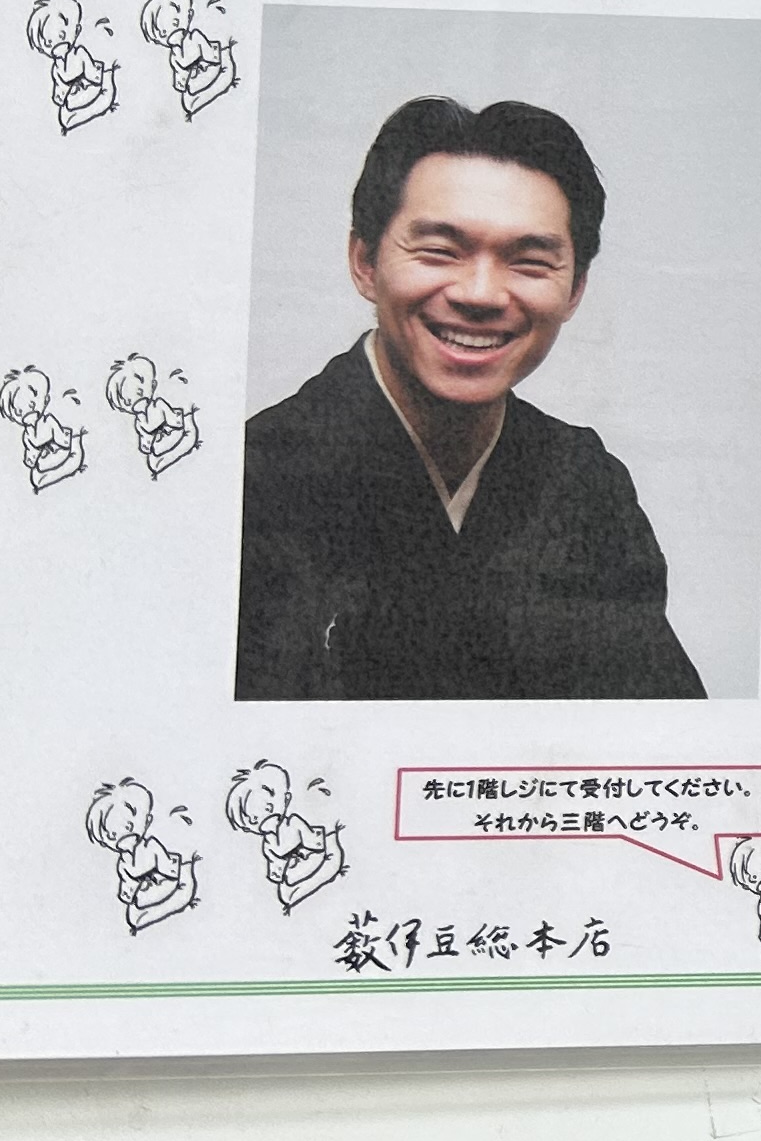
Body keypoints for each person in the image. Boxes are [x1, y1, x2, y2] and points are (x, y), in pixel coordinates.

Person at [235, 95, 702, 699]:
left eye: (529, 261)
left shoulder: (585, 484)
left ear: (575, 289)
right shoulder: (254, 477)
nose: (480, 294)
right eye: (440, 251)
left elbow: (662, 728)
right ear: (365, 262)